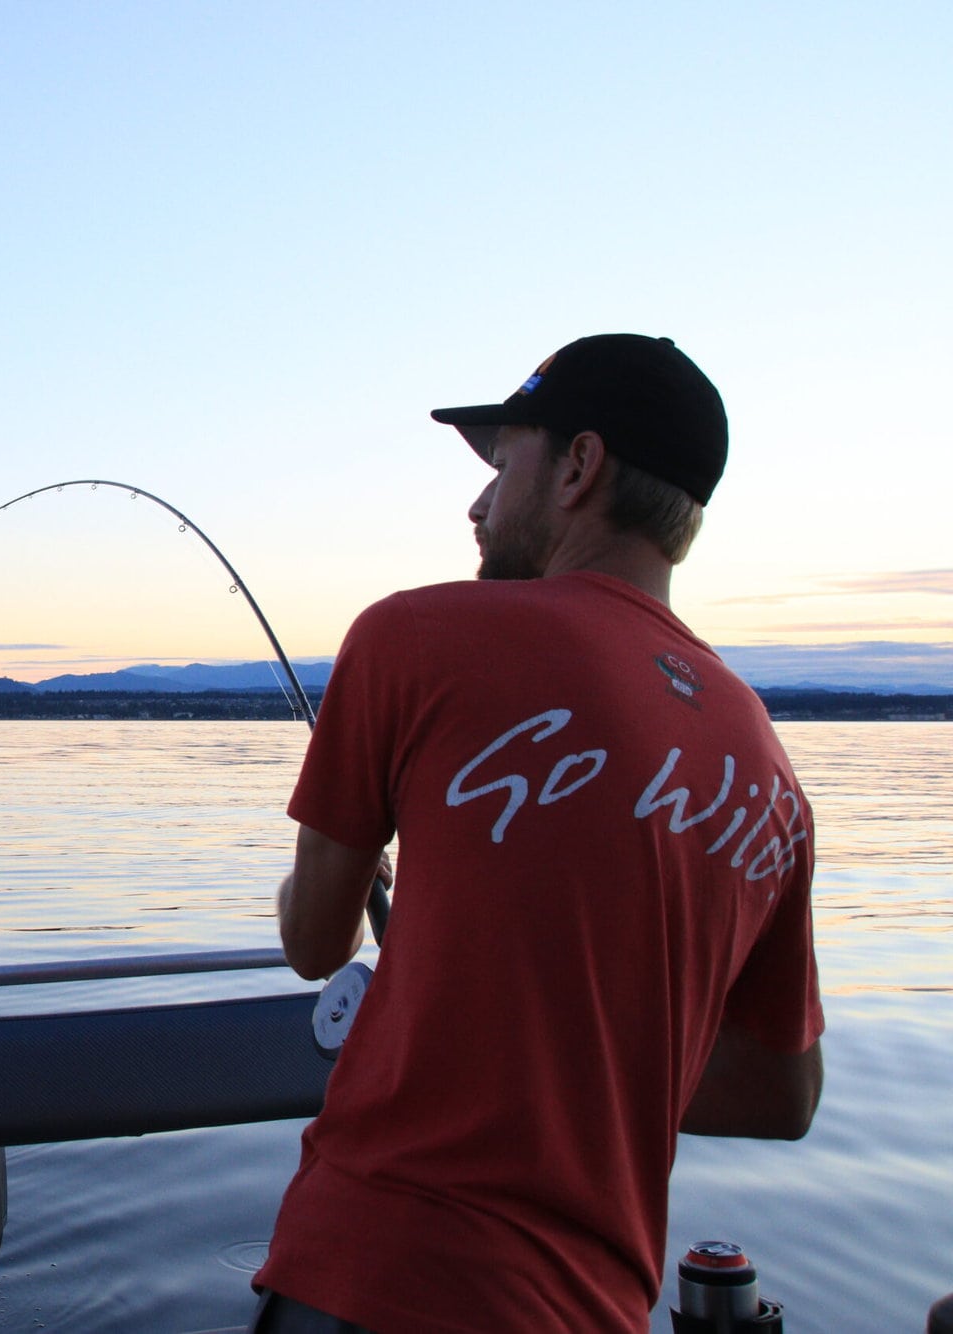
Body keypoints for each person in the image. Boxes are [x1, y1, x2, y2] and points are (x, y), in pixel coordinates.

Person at [249, 335, 825, 1333]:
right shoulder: (765, 766)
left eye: (499, 464)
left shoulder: (410, 636)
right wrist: (586, 1063)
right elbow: (784, 1093)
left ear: (575, 465)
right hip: (591, 1306)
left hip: (374, 1274)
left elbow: (312, 942)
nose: (475, 507)